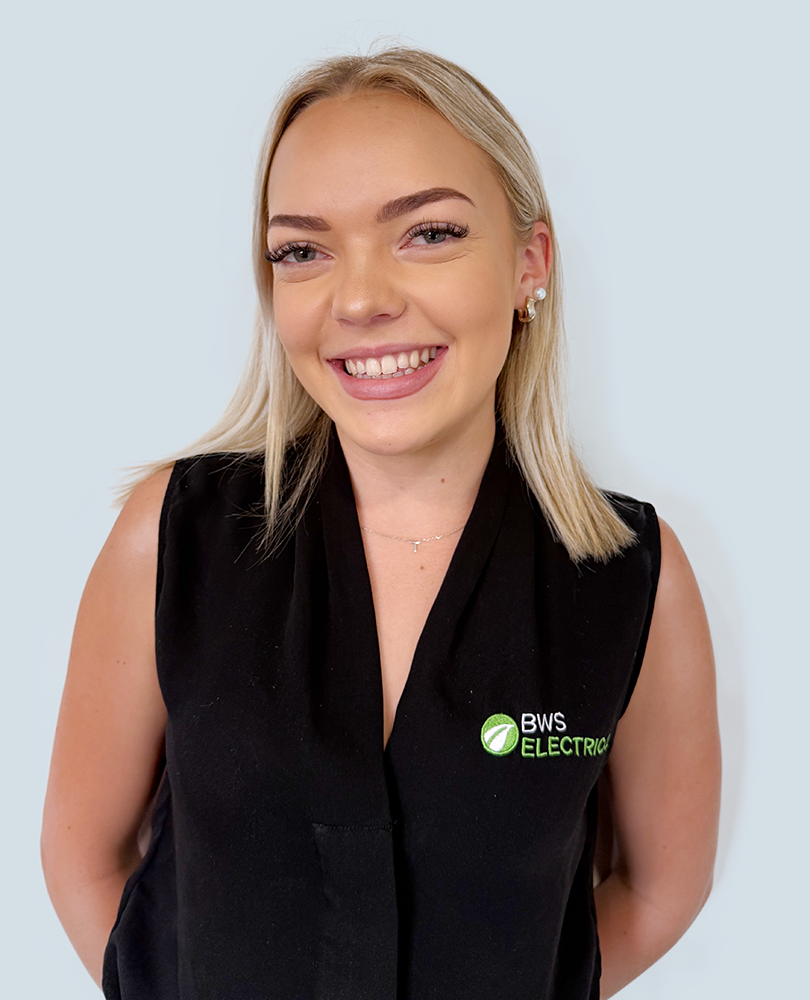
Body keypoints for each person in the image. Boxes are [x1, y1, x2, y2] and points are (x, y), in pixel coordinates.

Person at [40, 46, 721, 1000]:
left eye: (429, 233)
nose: (359, 299)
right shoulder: (171, 539)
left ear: (530, 261)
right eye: (302, 250)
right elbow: (82, 857)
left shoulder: (626, 578)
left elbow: (657, 892)